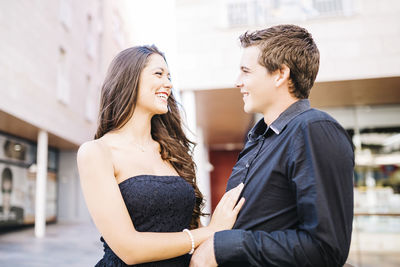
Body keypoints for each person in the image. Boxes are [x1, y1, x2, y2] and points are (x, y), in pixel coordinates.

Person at [190, 24, 354, 267]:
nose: (238, 82)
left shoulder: (313, 129)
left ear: (280, 74)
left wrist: (222, 247)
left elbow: (325, 250)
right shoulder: (260, 138)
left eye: (246, 71)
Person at [77, 45, 245, 266]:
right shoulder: (97, 152)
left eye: (169, 76)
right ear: (129, 79)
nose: (169, 83)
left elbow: (191, 225)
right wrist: (212, 231)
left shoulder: (172, 151)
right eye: (159, 74)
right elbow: (129, 249)